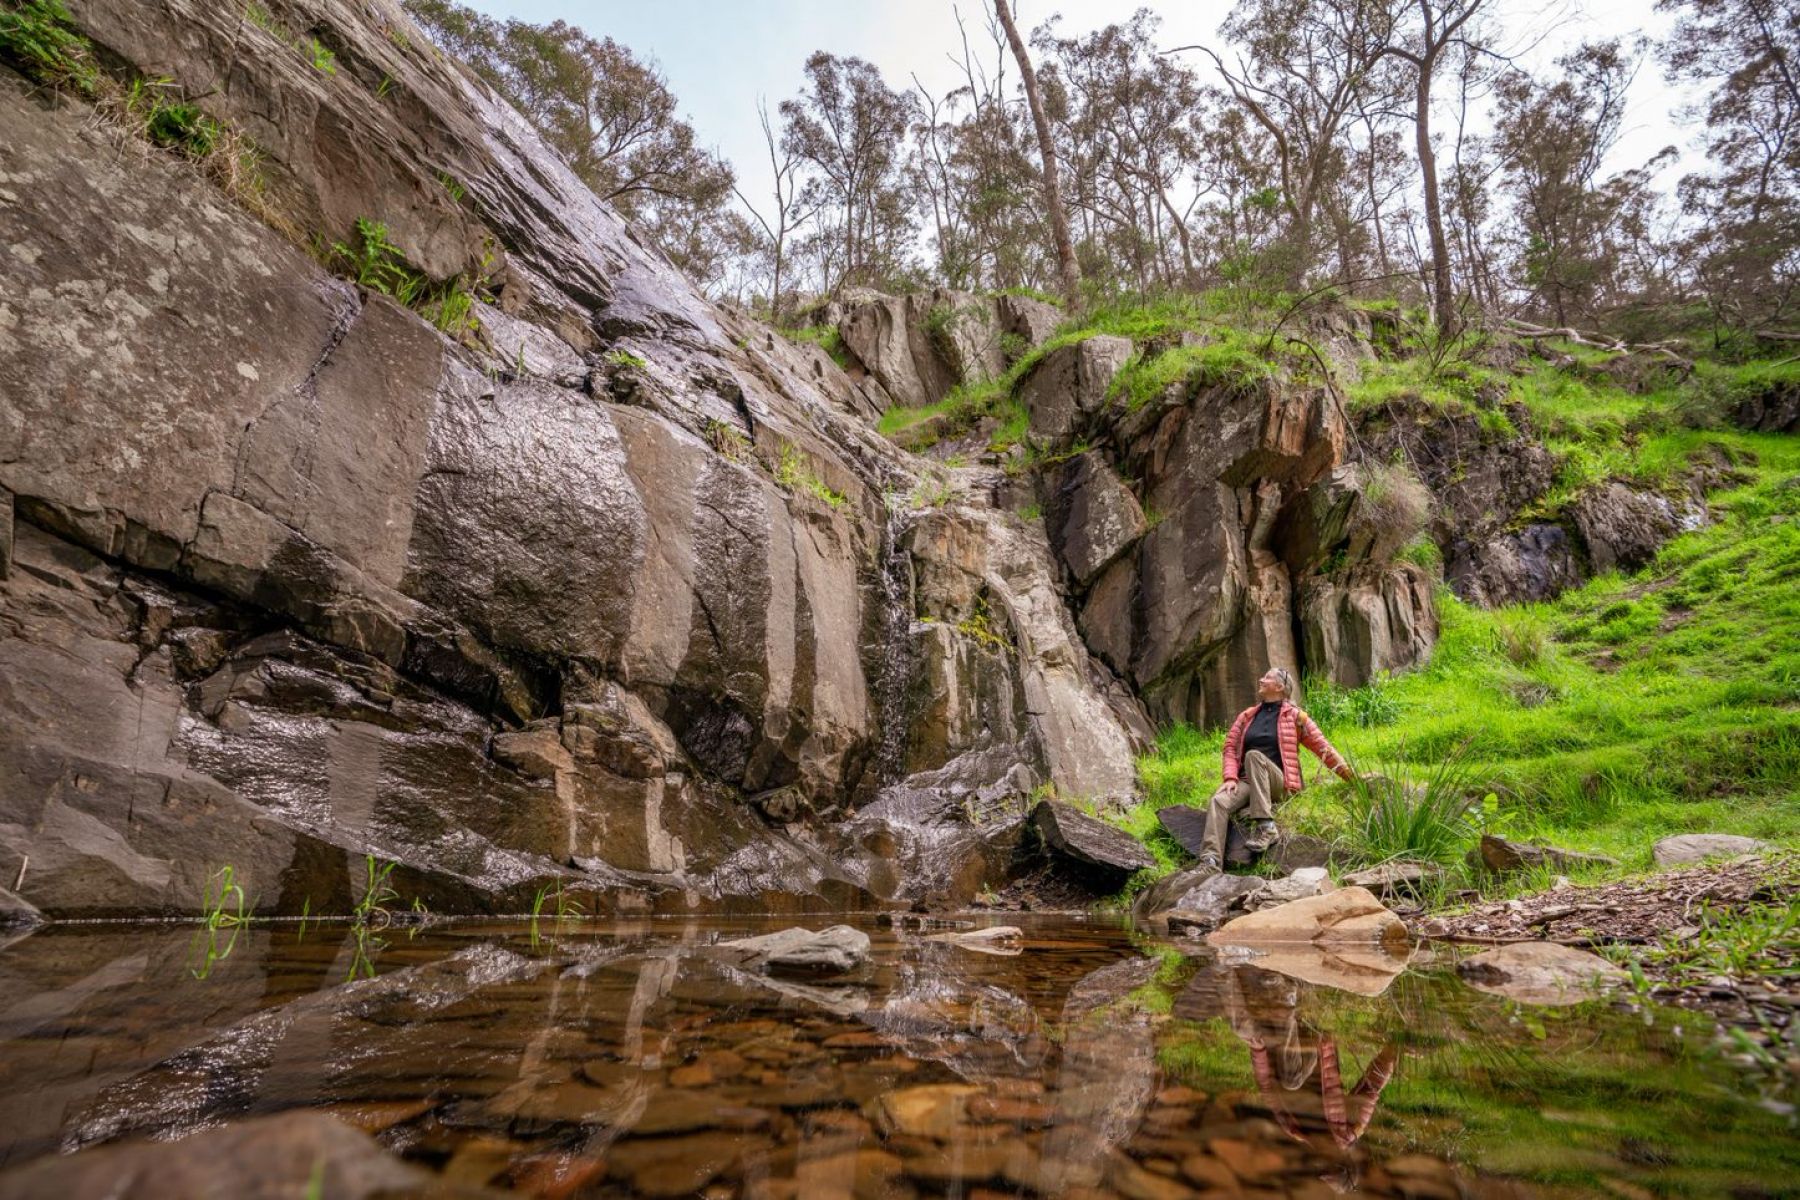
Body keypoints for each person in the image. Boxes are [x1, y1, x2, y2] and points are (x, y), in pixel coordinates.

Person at [1199, 666, 1353, 870]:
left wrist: (1352, 779)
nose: (1261, 680)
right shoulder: (1247, 716)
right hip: (1248, 782)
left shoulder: (1296, 718)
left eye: (1267, 678)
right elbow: (1229, 747)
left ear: (1280, 687)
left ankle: (1266, 827)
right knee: (1219, 801)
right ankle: (1210, 861)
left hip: (1280, 783)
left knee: (1254, 756)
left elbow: (1324, 749)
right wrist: (1229, 778)